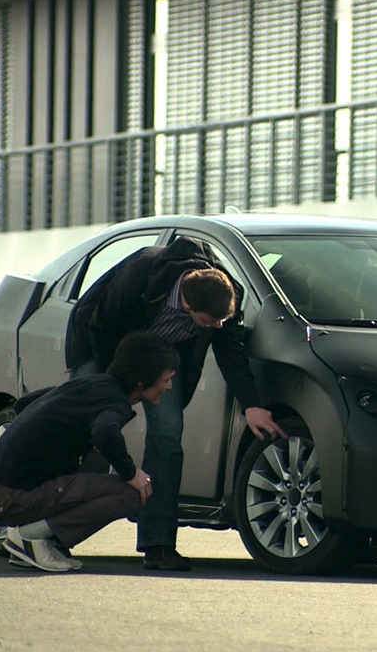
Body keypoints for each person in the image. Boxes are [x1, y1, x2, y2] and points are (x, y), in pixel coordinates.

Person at [65, 236, 287, 572]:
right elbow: (102, 325)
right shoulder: (143, 274)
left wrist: (251, 405)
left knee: (168, 436)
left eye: (221, 321)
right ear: (186, 304)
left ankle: (159, 544)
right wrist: (116, 386)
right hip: (105, 344)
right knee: (84, 429)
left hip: (164, 355)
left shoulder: (225, 297)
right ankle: (46, 525)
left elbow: (232, 354)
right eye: (210, 323)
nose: (217, 327)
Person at [0, 332, 180, 572]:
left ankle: (35, 538)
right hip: (7, 499)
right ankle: (31, 536)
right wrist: (131, 473)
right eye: (166, 379)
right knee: (132, 494)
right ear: (141, 382)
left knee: (98, 457)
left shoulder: (92, 384)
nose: (169, 386)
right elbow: (106, 433)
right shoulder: (116, 403)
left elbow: (25, 404)